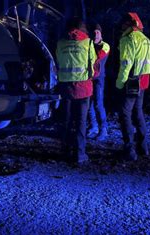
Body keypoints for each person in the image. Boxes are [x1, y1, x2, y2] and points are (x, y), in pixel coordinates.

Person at [56, 17, 97, 165]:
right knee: (81, 121)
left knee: (65, 120)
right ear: (83, 28)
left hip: (66, 87)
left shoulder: (60, 43)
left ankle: (65, 150)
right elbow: (92, 64)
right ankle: (80, 154)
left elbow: (58, 62)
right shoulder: (88, 43)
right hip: (84, 88)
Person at [116, 12, 150, 161]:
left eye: (123, 23)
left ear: (128, 24)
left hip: (131, 81)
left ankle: (129, 150)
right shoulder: (146, 40)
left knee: (125, 114)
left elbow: (126, 64)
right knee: (138, 111)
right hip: (143, 81)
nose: (121, 26)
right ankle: (143, 147)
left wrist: (119, 83)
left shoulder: (128, 39)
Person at [87, 24, 110, 141]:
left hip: (98, 79)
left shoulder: (105, 46)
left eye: (98, 32)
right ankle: (93, 127)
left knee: (98, 104)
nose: (96, 34)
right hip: (88, 78)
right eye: (94, 32)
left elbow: (97, 57)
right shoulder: (89, 44)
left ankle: (103, 129)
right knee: (89, 105)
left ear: (101, 34)